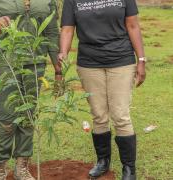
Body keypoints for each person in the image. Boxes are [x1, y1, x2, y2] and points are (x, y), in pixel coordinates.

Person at [0, 0, 61, 179]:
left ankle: (22, 167)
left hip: (35, 64)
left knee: (28, 115)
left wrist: (59, 70)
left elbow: (51, 31)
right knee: (7, 116)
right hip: (5, 63)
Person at [58, 0, 146, 179]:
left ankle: (129, 168)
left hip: (121, 59)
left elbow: (133, 25)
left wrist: (141, 60)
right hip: (89, 63)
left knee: (120, 115)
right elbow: (67, 29)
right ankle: (102, 161)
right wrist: (63, 53)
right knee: (99, 115)